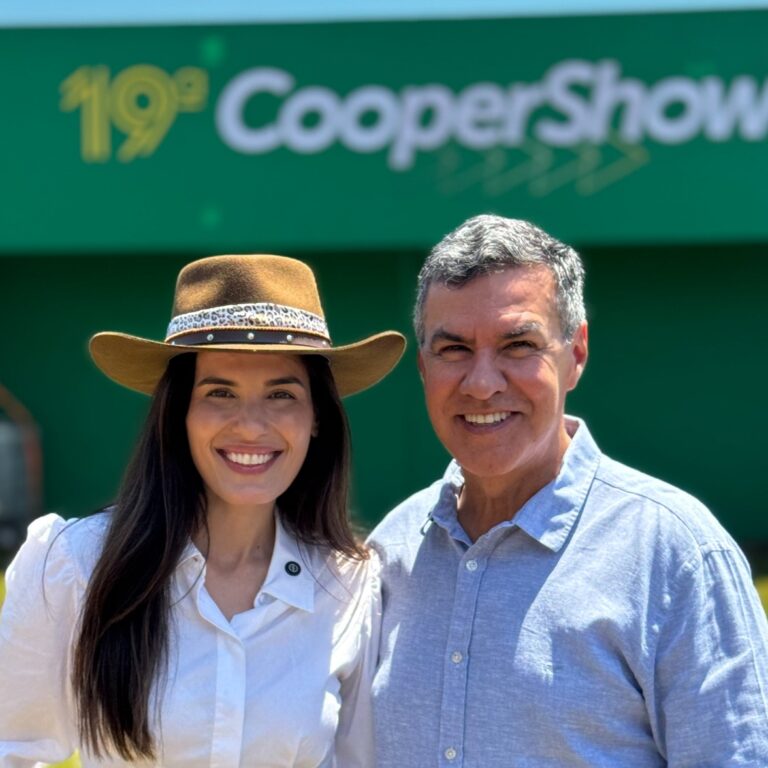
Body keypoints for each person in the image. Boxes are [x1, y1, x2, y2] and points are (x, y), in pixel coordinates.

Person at [369, 214, 768, 767]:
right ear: (422, 366)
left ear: (575, 353)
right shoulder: (391, 551)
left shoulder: (677, 553)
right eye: (454, 349)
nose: (482, 383)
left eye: (518, 344)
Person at [0, 253, 405, 767]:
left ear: (317, 417)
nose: (252, 426)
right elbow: (13, 749)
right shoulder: (73, 564)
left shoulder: (350, 585)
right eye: (220, 393)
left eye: (282, 394)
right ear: (179, 414)